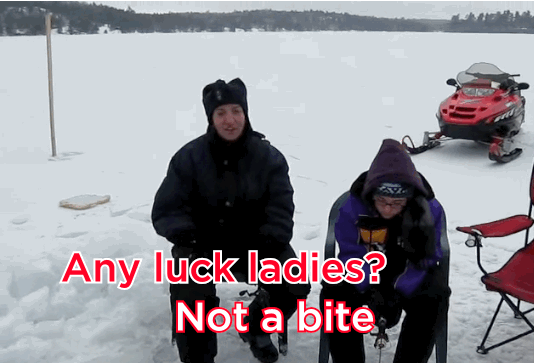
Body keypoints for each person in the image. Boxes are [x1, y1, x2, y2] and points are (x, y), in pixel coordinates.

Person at [151, 78, 311, 363]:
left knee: (294, 283)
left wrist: (269, 239)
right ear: (210, 118)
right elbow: (166, 210)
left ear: (246, 114)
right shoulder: (189, 158)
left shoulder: (269, 158)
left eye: (236, 111)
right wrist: (189, 237)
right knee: (191, 296)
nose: (230, 120)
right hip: (201, 246)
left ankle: (255, 325)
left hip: (255, 244)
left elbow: (281, 207)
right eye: (221, 113)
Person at [320, 138, 451, 363]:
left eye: (397, 202)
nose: (388, 208)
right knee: (334, 295)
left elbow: (428, 257)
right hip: (364, 269)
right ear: (371, 194)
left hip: (411, 270)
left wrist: (397, 290)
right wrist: (370, 289)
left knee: (434, 298)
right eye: (382, 200)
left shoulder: (428, 210)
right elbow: (352, 253)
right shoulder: (353, 207)